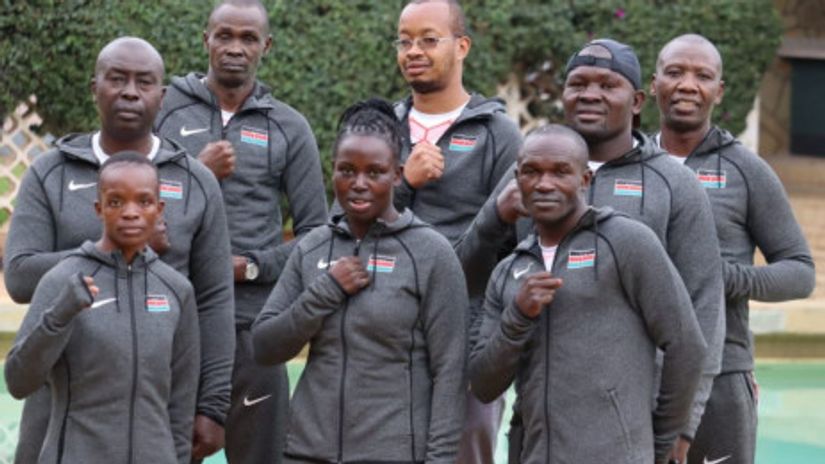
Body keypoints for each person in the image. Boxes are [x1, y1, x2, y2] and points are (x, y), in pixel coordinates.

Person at [457, 38, 724, 463]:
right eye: (578, 84)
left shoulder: (674, 185)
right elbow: (468, 279)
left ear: (637, 101)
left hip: (633, 426)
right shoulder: (524, 176)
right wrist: (493, 221)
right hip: (538, 425)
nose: (590, 95)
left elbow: (702, 310)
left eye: (607, 85)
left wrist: (678, 426)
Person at [3, 37, 235, 463]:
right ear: (95, 88)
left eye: (143, 82)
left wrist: (213, 404)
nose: (130, 92)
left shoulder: (197, 181)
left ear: (162, 96)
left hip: (154, 411)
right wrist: (106, 251)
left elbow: (215, 298)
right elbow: (18, 276)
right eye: (117, 79)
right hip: (59, 405)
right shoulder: (50, 172)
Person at [154, 1, 328, 461]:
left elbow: (317, 234)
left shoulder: (289, 127)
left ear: (266, 46)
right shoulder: (164, 111)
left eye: (248, 38)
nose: (235, 48)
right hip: (171, 319)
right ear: (205, 40)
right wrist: (195, 172)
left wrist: (252, 267)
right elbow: (130, 202)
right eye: (225, 35)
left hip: (252, 326)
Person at [252, 99, 468, 464]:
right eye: (347, 171)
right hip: (306, 452)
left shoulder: (431, 253)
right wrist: (325, 292)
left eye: (375, 172)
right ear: (332, 171)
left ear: (397, 175)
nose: (359, 184)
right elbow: (264, 346)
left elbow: (450, 371)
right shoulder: (312, 247)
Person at [650, 33, 815, 464]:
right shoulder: (633, 165)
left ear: (719, 92)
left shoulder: (746, 170)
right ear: (653, 84)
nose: (687, 85)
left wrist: (717, 277)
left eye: (702, 76)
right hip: (636, 371)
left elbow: (800, 272)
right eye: (674, 72)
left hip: (722, 372)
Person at [4, 152, 200, 464]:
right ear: (99, 209)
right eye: (116, 202)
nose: (131, 213)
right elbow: (18, 381)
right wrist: (58, 317)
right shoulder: (62, 279)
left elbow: (181, 404)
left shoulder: (176, 290)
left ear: (159, 209)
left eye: (144, 202)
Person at [393, 1, 522, 460]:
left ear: (462, 46)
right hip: (386, 333)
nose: (414, 51)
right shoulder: (381, 127)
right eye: (404, 41)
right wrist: (404, 183)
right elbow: (345, 225)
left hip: (469, 338)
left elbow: (513, 246)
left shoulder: (499, 134)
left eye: (429, 39)